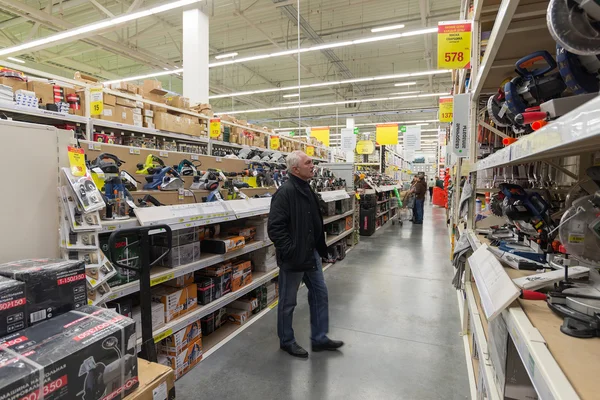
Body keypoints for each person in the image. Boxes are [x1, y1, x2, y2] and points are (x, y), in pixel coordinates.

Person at [268, 150, 344, 358]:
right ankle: (287, 340)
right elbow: (275, 228)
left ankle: (319, 338)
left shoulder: (306, 188)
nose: (313, 166)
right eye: (308, 163)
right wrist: (291, 251)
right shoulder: (285, 193)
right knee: (288, 302)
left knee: (320, 294)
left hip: (311, 255)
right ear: (295, 169)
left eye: (312, 163)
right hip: (294, 258)